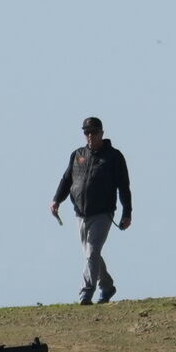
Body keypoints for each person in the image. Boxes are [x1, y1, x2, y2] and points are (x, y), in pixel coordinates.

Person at [52, 117, 133, 304]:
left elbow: (124, 187)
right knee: (91, 254)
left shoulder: (114, 157)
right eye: (86, 132)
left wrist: (127, 213)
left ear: (102, 133)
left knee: (92, 252)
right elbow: (66, 180)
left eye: (94, 132)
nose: (90, 136)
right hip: (81, 213)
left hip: (103, 213)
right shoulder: (78, 154)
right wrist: (57, 200)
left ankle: (86, 293)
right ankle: (107, 286)